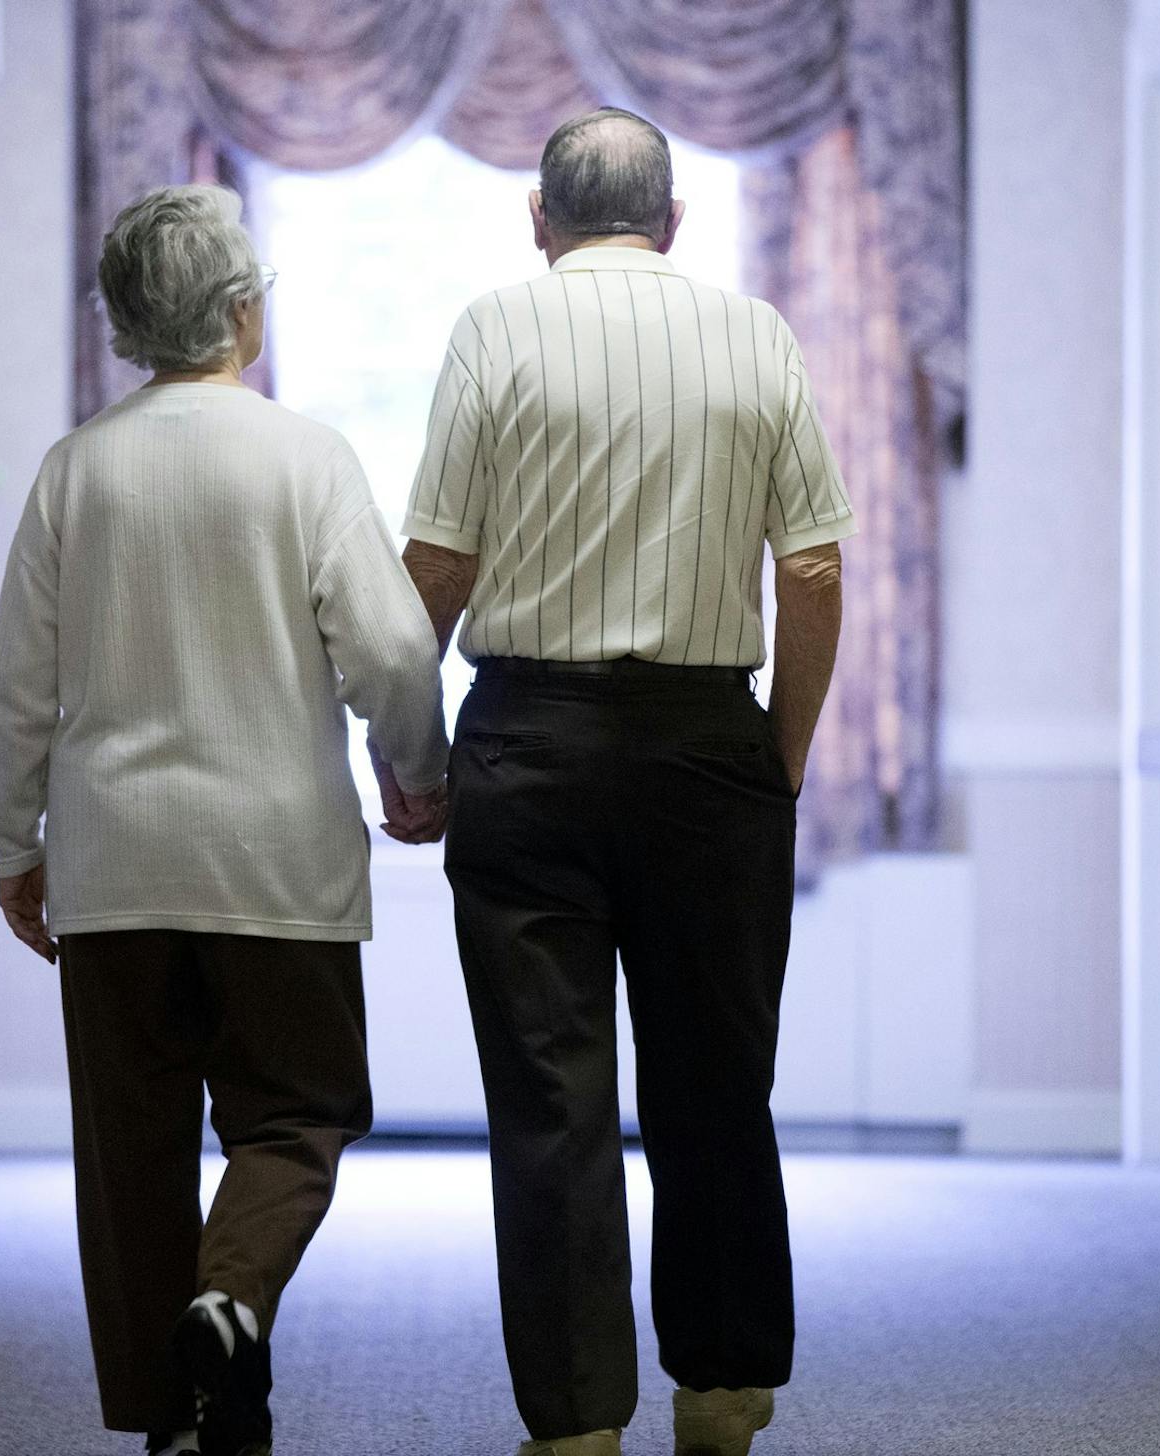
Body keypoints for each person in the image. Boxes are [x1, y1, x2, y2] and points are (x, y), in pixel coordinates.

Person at [385, 108, 852, 1456]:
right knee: (716, 1082)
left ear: (539, 219)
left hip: (526, 742)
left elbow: (437, 567)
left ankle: (579, 1424)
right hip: (709, 746)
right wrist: (784, 756)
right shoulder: (753, 333)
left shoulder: (495, 329)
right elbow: (813, 567)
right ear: (674, 220)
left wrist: (411, 757)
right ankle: (720, 1390)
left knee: (549, 1101)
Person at [0, 183, 449, 1456]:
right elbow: (397, 657)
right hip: (275, 862)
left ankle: (169, 1417)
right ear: (243, 312)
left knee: (130, 1158)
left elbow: (19, 689)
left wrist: (16, 851)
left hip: (113, 867)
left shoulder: (75, 472)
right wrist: (418, 773)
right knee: (296, 1118)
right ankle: (229, 1301)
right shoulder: (306, 458)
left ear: (130, 326)